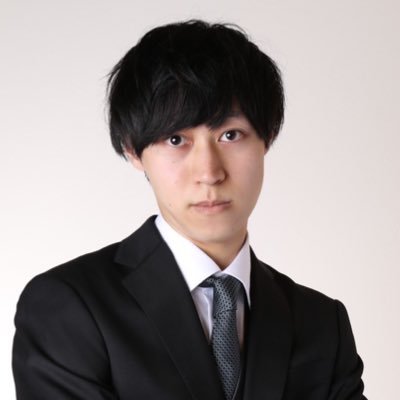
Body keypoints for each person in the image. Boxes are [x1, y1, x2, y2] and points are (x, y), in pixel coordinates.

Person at [12, 20, 366, 400]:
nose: (209, 172)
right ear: (133, 150)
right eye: (176, 139)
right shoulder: (69, 307)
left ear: (267, 137)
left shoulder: (321, 324)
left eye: (230, 135)